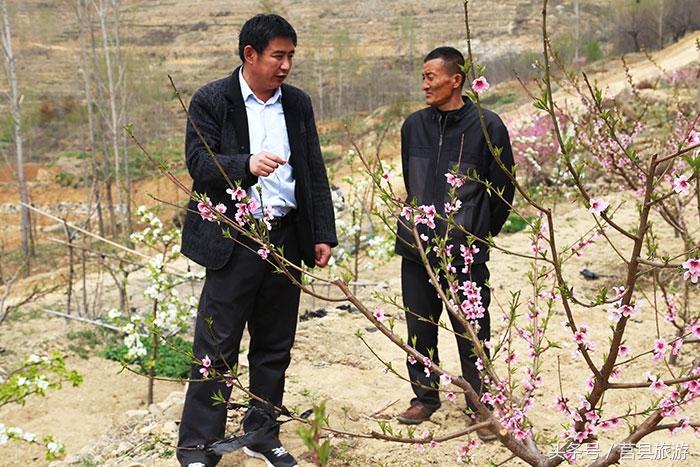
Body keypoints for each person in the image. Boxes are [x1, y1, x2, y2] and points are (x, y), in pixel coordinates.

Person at [177, 14, 337, 467]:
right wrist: (245, 165)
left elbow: (313, 169)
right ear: (250, 54)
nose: (286, 65)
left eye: (291, 56)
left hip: (286, 237)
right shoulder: (213, 100)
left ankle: (261, 434)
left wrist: (322, 233)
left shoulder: (298, 103)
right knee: (217, 346)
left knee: (274, 344)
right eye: (277, 56)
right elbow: (198, 163)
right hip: (237, 238)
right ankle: (198, 446)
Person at [394, 46, 515, 440]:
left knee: (472, 327)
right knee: (419, 324)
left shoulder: (487, 126)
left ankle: (481, 403)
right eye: (423, 77)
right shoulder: (413, 126)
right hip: (417, 246)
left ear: (456, 80)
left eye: (431, 76)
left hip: (464, 251)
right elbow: (412, 181)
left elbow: (503, 189)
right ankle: (424, 397)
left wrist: (476, 231)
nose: (425, 84)